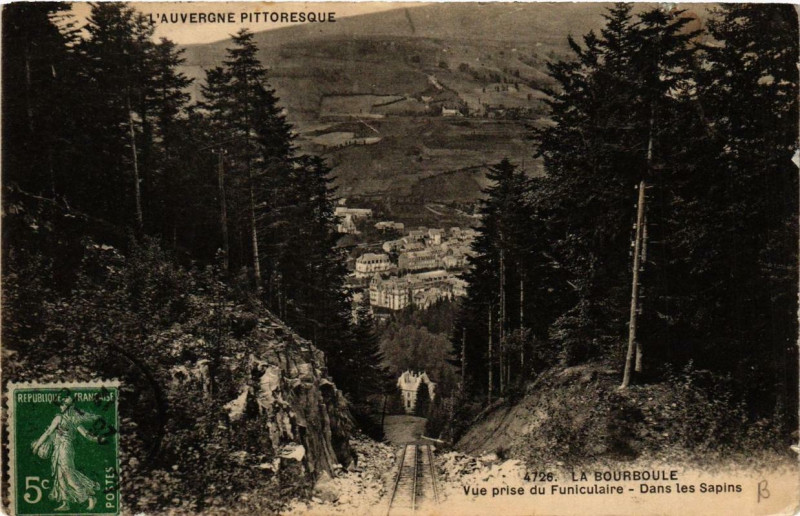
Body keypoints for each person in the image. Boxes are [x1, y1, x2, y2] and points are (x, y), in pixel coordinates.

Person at [31, 395, 101, 511]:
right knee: (60, 476)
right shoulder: (68, 419)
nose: (61, 406)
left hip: (65, 449)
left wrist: (37, 446)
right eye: (61, 404)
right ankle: (65, 503)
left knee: (68, 474)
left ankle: (88, 497)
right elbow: (49, 433)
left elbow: (86, 435)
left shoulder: (65, 419)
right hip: (59, 449)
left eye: (64, 405)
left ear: (69, 407)